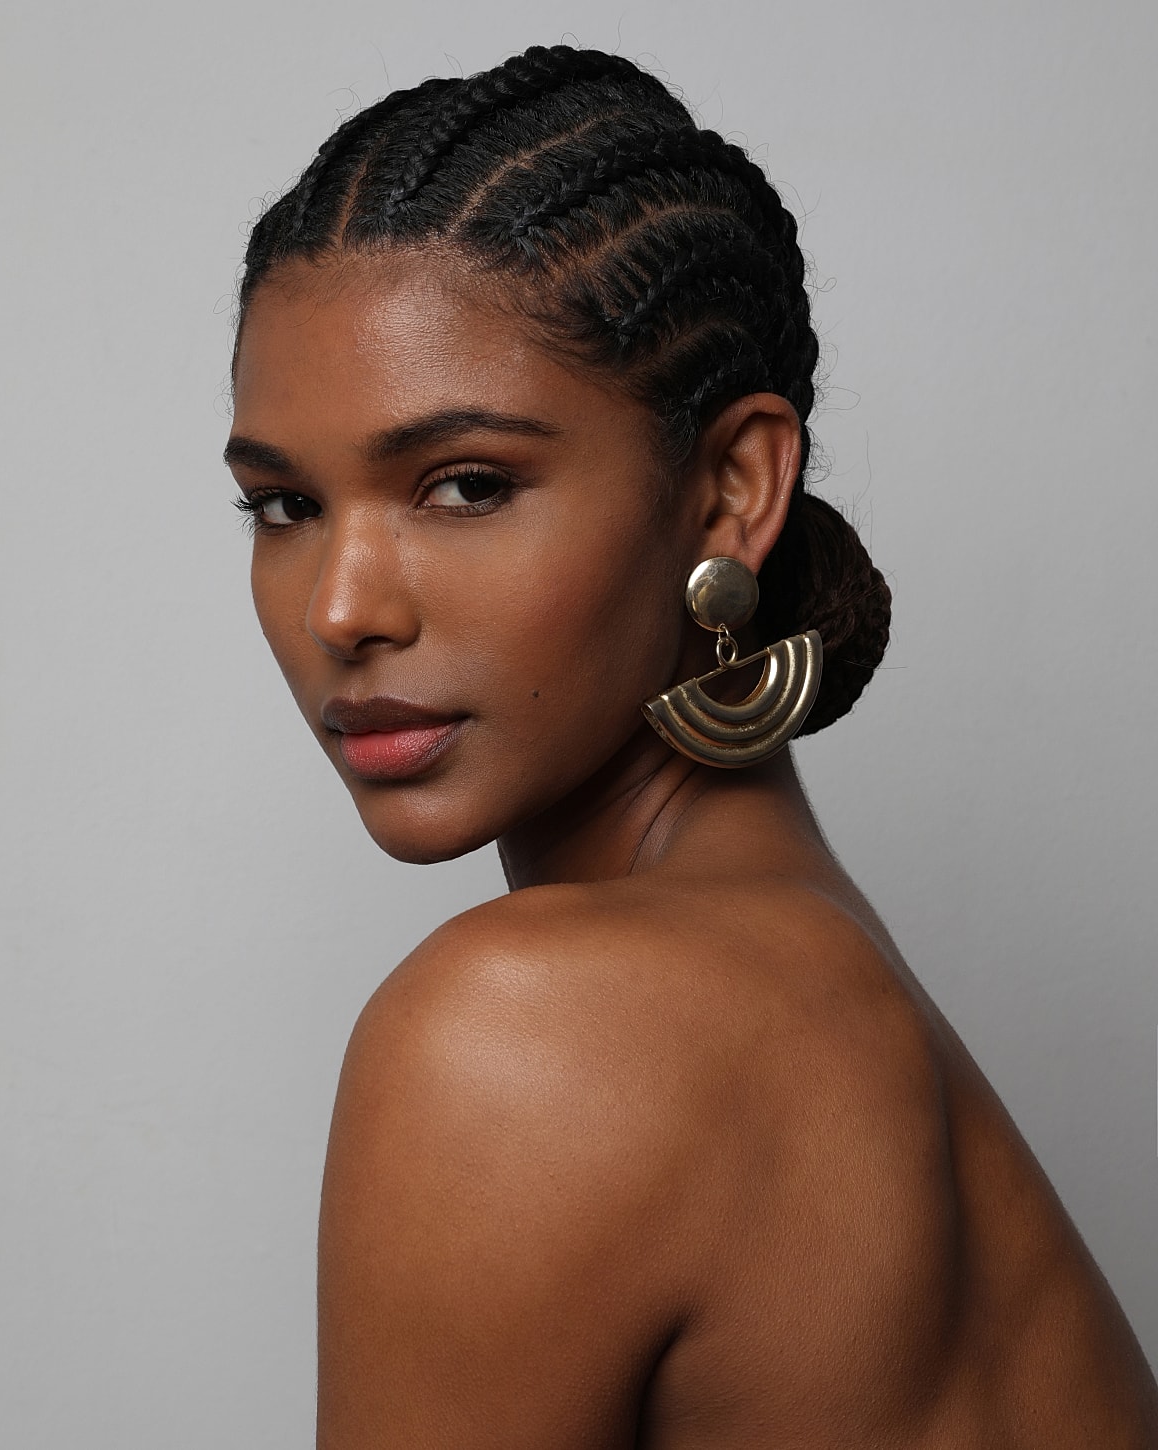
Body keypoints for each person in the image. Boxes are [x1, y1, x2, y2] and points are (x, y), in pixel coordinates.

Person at [225, 43, 1158, 1448]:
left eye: (466, 484)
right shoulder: (826, 980)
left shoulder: (523, 1032)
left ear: (732, 489)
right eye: (285, 506)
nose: (344, 606)